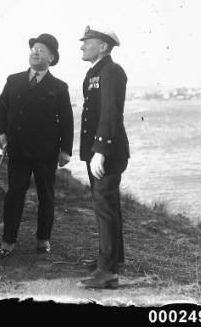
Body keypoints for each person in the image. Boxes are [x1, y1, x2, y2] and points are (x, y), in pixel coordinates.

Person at [0, 33, 74, 258]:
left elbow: (67, 120)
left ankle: (43, 240)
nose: (35, 52)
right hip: (17, 149)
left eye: (41, 49)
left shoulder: (59, 87)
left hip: (46, 152)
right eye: (34, 48)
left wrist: (66, 150)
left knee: (46, 196)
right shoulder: (14, 80)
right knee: (14, 196)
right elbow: (1, 109)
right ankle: (8, 241)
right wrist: (1, 134)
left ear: (52, 57)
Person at [77, 25, 130, 289]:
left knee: (104, 207)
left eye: (88, 41)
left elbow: (110, 113)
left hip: (106, 152)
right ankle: (112, 258)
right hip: (98, 151)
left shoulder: (112, 71)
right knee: (108, 206)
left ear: (103, 47)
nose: (82, 45)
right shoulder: (95, 72)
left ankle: (107, 271)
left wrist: (100, 151)